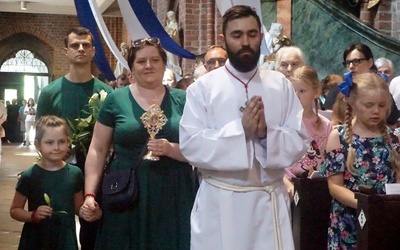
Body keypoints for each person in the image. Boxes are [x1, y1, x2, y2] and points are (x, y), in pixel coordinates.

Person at [179, 5, 309, 250]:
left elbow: (299, 140)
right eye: (237, 35)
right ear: (223, 39)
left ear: (261, 36)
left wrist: (265, 133)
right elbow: (191, 145)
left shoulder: (280, 85)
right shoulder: (203, 88)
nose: (245, 42)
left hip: (268, 202)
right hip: (221, 202)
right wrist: (241, 132)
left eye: (251, 34)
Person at [82, 37, 198, 249]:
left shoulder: (183, 99)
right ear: (131, 68)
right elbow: (98, 150)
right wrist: (89, 194)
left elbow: (200, 148)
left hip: (173, 191)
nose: (148, 65)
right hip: (128, 192)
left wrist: (172, 149)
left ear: (164, 64)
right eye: (141, 61)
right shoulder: (116, 100)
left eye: (155, 60)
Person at [35, 26, 113, 250]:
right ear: (66, 51)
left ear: (93, 51)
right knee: (57, 225)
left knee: (92, 227)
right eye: (75, 45)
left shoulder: (106, 92)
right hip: (58, 170)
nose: (80, 49)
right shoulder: (50, 92)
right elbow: (41, 136)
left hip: (96, 171)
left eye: (85, 45)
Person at [320, 72, 400, 249]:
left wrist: (387, 207)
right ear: (352, 103)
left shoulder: (394, 138)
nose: (376, 111)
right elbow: (335, 186)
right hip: (348, 221)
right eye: (369, 105)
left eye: (381, 105)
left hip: (385, 220)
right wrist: (367, 205)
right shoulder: (338, 137)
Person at [9, 115, 85, 249]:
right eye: (49, 142)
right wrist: (32, 215)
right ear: (38, 144)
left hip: (64, 239)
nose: (56, 147)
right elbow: (15, 210)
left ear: (68, 142)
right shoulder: (30, 176)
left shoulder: (75, 173)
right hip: (37, 240)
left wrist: (89, 211)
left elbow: (78, 208)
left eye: (61, 141)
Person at [283, 66, 332, 199]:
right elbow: (277, 160)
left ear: (315, 92)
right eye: (294, 91)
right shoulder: (285, 122)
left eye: (302, 91)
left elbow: (329, 158)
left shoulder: (326, 125)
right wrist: (287, 185)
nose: (297, 96)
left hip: (316, 187)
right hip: (289, 185)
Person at [165, 10, 182, 75]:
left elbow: (174, 34)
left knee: (172, 56)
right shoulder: (168, 25)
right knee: (168, 57)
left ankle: (174, 66)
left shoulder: (174, 24)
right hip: (168, 44)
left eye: (169, 16)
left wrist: (170, 34)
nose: (168, 18)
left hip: (172, 43)